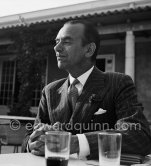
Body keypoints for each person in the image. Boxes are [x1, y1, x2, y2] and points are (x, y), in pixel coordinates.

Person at [22, 20, 151, 159]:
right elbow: (29, 136)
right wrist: (33, 143)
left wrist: (76, 143)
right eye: (57, 41)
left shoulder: (118, 83)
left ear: (89, 50)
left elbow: (139, 136)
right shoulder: (50, 91)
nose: (56, 48)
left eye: (66, 42)